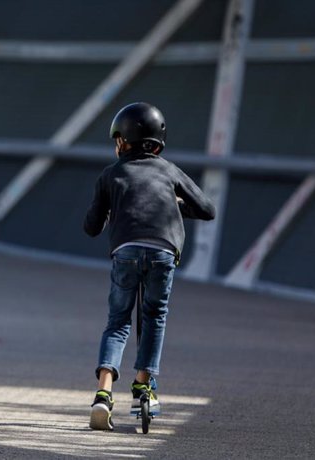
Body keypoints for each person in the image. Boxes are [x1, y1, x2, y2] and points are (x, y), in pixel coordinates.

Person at [83, 102, 215, 430]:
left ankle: (103, 395)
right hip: (163, 252)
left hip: (126, 252)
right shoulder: (170, 170)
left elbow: (90, 226)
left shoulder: (110, 174)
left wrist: (113, 205)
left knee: (117, 322)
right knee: (154, 317)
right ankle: (144, 387)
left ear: (122, 142)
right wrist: (170, 204)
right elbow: (207, 209)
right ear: (157, 144)